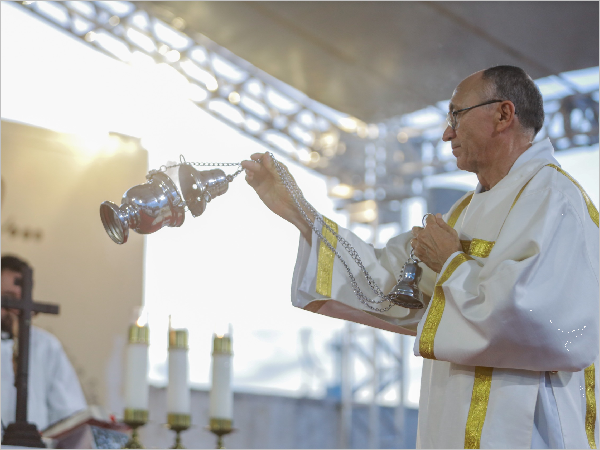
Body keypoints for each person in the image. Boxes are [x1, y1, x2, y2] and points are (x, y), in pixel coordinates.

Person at [241, 66, 599, 448]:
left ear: (503, 114)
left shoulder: (556, 202)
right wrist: (300, 212)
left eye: (456, 116)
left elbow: (539, 325)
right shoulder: (465, 213)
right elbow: (389, 281)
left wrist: (451, 264)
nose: (447, 133)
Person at [1, 254, 87, 433]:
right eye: (8, 298)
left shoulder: (46, 346)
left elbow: (70, 414)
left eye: (22, 298)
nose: (18, 308)